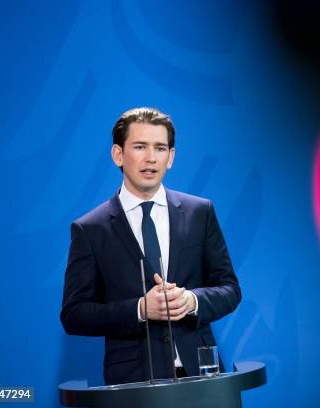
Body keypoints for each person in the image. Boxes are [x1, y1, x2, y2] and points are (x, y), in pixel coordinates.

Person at [60, 107, 241, 385]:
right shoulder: (90, 229)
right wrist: (141, 309)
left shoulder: (200, 212)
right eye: (140, 146)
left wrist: (191, 301)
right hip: (134, 383)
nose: (151, 158)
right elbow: (74, 315)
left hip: (204, 377)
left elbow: (229, 289)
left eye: (160, 148)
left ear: (171, 157)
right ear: (118, 154)